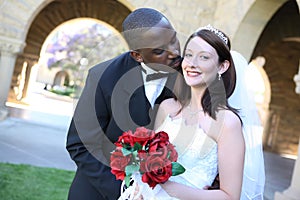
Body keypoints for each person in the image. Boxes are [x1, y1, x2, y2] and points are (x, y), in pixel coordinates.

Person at [124, 25, 265, 200]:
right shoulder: (167, 108)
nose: (192, 63)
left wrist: (168, 187)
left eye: (204, 57)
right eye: (189, 55)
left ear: (222, 66)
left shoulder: (227, 123)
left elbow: (230, 196)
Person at [66, 8, 182, 200]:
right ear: (137, 55)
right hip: (100, 191)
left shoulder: (189, 74)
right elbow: (80, 144)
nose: (175, 52)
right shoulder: (103, 77)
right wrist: (125, 191)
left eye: (173, 39)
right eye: (160, 50)